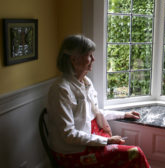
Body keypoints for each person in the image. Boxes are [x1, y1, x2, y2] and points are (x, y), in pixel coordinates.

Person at [47, 34, 150, 168]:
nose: (93, 59)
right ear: (74, 59)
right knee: (135, 153)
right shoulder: (61, 90)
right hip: (73, 152)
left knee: (127, 152)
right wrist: (106, 141)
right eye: (89, 55)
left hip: (89, 137)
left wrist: (124, 115)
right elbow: (68, 134)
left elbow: (94, 113)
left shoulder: (85, 82)